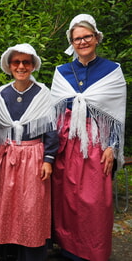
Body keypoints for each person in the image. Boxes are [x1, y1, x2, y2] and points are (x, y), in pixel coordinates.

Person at [50, 14, 126, 261]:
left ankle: (92, 251)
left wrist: (112, 146)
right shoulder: (61, 72)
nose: (82, 42)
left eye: (86, 37)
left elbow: (116, 114)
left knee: (94, 202)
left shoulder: (112, 71)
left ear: (96, 38)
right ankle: (68, 248)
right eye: (77, 39)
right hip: (67, 142)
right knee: (66, 197)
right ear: (71, 43)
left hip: (96, 143)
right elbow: (54, 113)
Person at [0, 43, 58, 261]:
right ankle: (9, 253)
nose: (21, 66)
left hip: (34, 157)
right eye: (16, 62)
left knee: (32, 207)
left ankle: (32, 254)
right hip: (8, 155)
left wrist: (48, 159)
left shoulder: (42, 94)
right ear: (9, 66)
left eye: (26, 62)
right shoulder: (2, 93)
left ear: (33, 65)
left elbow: (51, 129)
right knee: (7, 206)